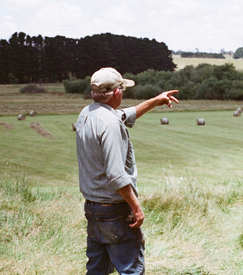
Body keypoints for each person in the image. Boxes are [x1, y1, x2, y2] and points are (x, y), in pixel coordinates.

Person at [75, 67, 179, 274]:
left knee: (97, 270)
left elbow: (124, 114)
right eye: (122, 89)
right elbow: (116, 175)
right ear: (116, 93)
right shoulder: (111, 124)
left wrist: (155, 101)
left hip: (94, 208)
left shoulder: (87, 114)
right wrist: (136, 207)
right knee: (131, 269)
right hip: (114, 210)